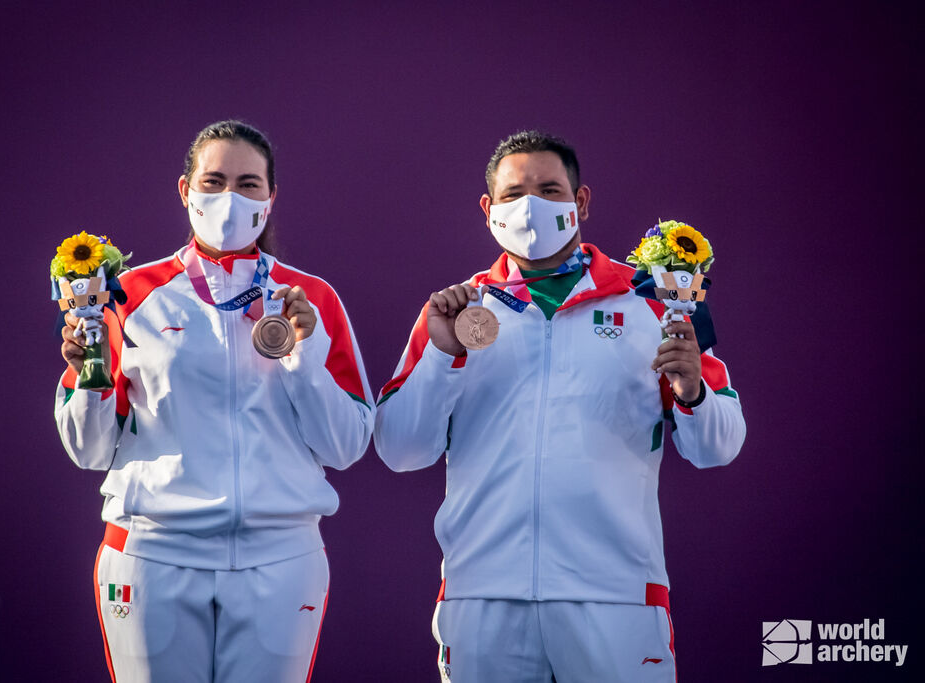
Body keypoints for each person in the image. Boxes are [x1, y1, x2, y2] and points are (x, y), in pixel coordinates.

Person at [373, 130, 746, 682]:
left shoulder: (654, 300)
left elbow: (720, 446)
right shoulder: (456, 312)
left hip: (617, 600)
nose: (531, 207)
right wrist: (444, 355)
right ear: (488, 208)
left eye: (550, 190)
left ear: (582, 202)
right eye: (514, 193)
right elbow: (400, 450)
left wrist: (693, 392)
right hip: (483, 601)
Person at [55, 120, 374, 682]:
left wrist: (301, 358)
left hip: (281, 558)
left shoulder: (311, 299)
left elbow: (346, 446)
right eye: (215, 180)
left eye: (249, 184)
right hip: (153, 554)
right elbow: (88, 449)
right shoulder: (129, 295)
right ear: (185, 190)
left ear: (271, 198)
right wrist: (89, 376)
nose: (230, 198)